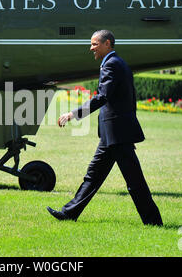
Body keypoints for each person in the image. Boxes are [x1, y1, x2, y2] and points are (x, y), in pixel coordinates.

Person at [47, 30, 163, 226]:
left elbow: (102, 97)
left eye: (95, 44)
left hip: (117, 134)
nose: (91, 48)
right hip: (113, 134)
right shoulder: (117, 63)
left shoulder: (111, 64)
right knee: (93, 176)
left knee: (134, 182)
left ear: (107, 43)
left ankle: (153, 222)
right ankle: (69, 213)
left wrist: (72, 114)